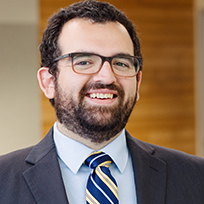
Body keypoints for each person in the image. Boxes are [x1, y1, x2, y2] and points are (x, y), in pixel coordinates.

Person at [0, 0, 204, 203]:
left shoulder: (196, 177)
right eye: (84, 61)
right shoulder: (4, 181)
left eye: (121, 63)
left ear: (138, 81)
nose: (107, 78)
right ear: (49, 82)